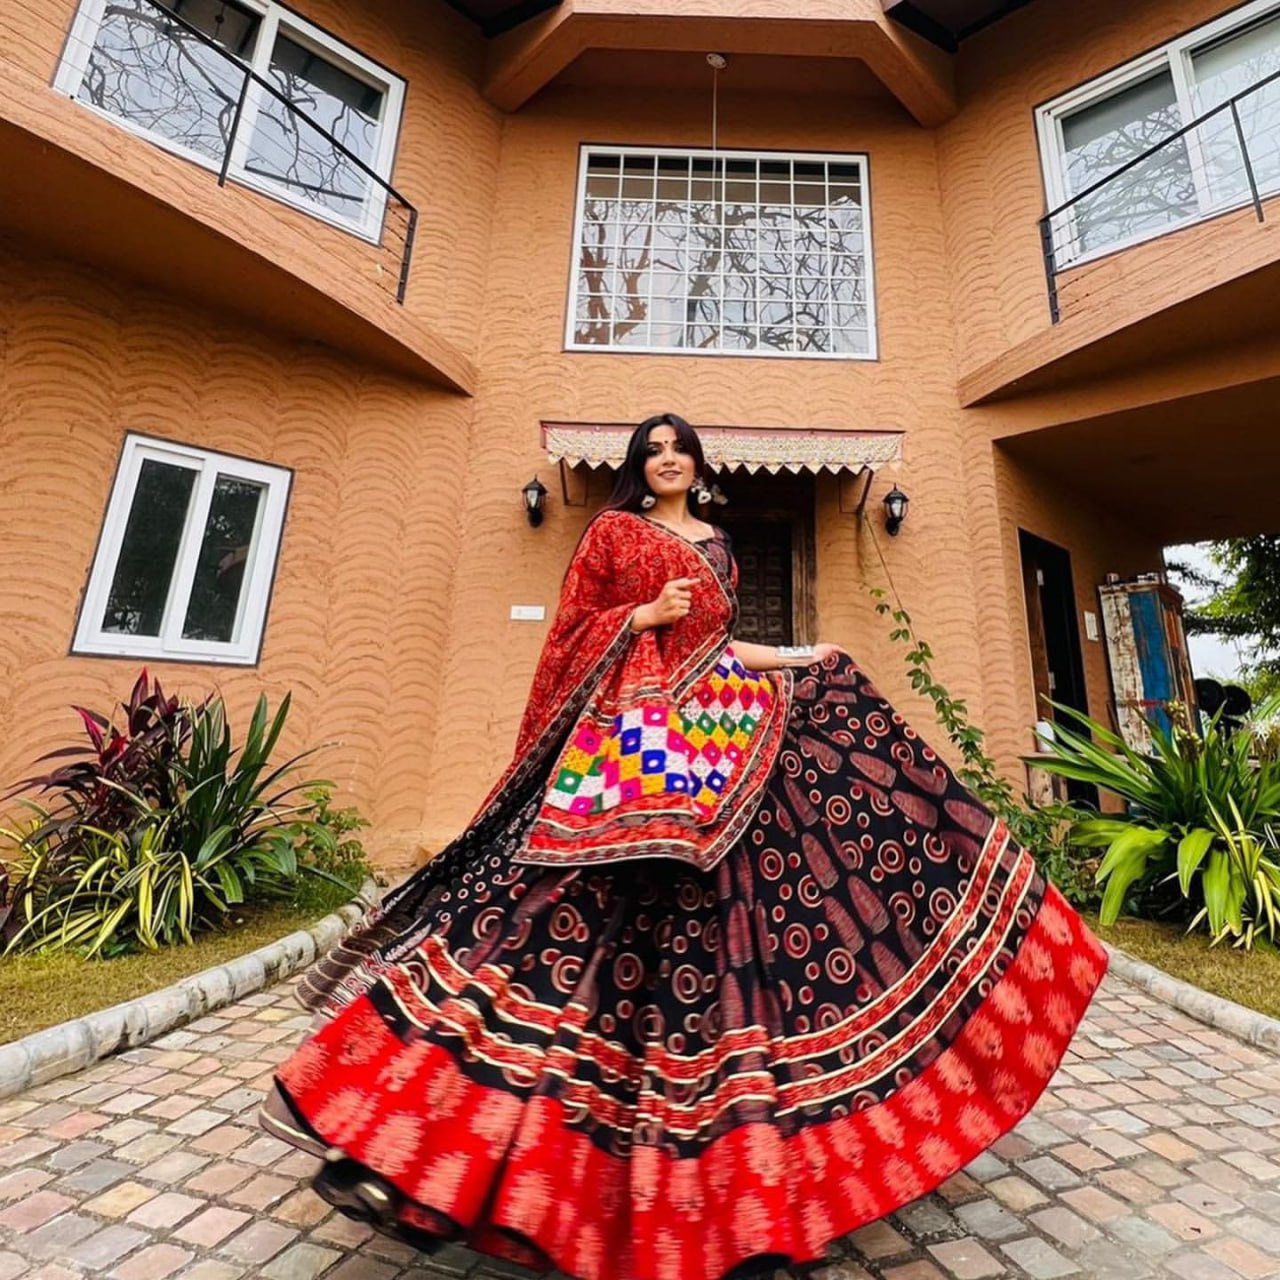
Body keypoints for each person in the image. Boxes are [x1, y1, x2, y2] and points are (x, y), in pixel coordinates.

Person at [260, 413, 1107, 1280]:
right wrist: (636, 619)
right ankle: (397, 1143)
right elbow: (568, 635)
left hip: (723, 740)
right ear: (639, 466)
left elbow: (720, 646)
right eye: (652, 450)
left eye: (678, 448)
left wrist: (801, 654)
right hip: (631, 753)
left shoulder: (720, 544)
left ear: (698, 462)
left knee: (757, 927)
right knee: (556, 918)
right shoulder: (612, 533)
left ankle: (736, 1200)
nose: (667, 459)